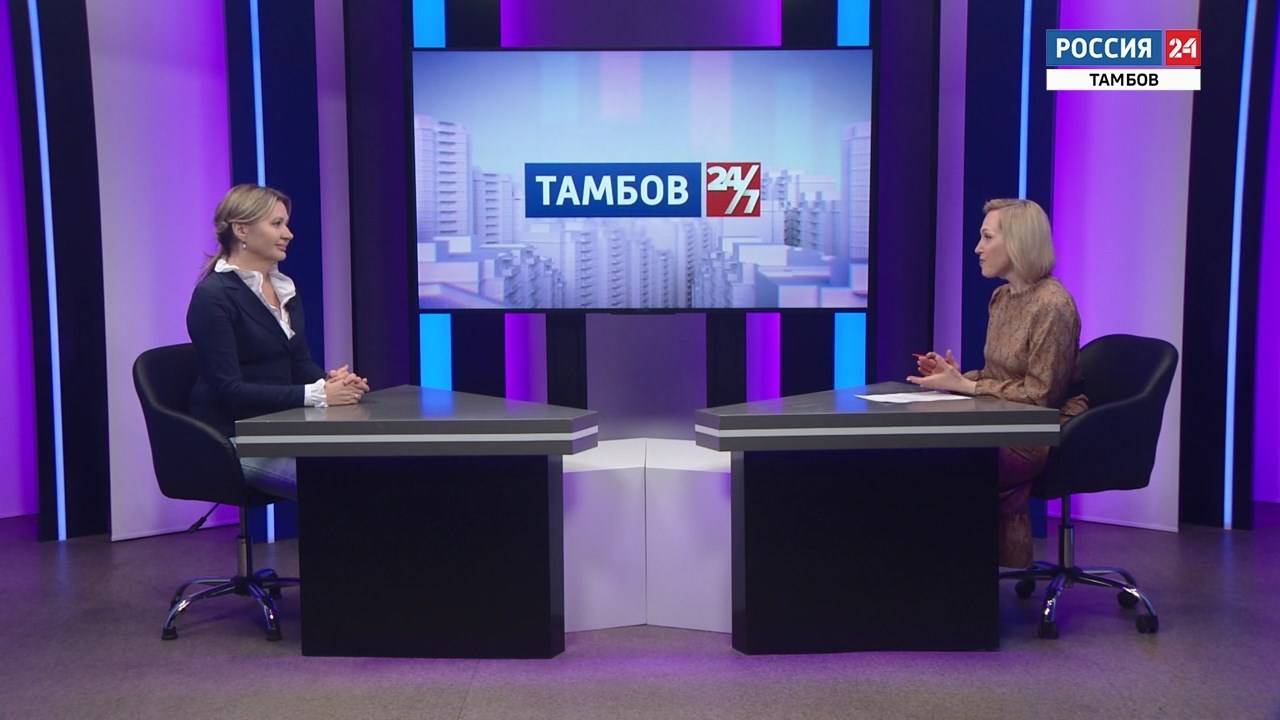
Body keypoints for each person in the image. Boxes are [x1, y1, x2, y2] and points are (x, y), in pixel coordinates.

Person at [907, 198, 1087, 567]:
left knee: (947, 464)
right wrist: (955, 378)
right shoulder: (1002, 297)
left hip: (1034, 432)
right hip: (1000, 418)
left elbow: (1039, 396)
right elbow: (999, 376)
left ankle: (958, 578)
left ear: (1018, 243)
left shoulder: (1053, 306)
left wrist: (970, 387)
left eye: (987, 237)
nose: (978, 247)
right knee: (921, 451)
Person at [187, 184, 368, 488]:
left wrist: (331, 384)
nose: (289, 234)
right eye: (277, 224)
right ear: (241, 230)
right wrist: (318, 395)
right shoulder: (213, 296)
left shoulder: (284, 288)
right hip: (232, 439)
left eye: (286, 224)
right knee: (337, 486)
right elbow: (229, 390)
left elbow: (298, 363)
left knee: (367, 471)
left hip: (281, 430)